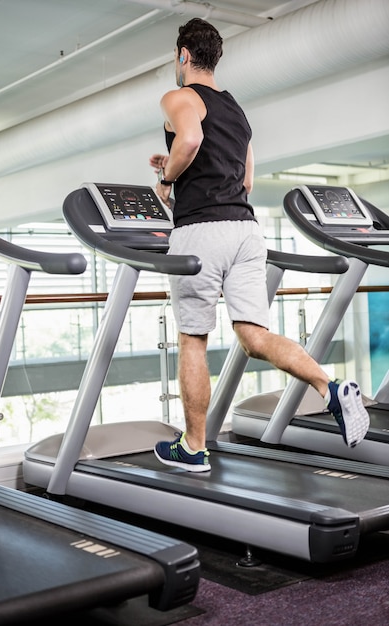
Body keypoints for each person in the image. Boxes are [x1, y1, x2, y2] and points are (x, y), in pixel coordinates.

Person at [149, 17, 370, 473]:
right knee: (255, 336)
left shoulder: (179, 96)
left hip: (200, 230)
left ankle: (194, 447)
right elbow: (246, 179)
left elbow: (190, 138)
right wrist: (175, 163)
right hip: (245, 230)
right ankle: (329, 389)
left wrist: (167, 178)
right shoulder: (235, 109)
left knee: (192, 338)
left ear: (183, 55)